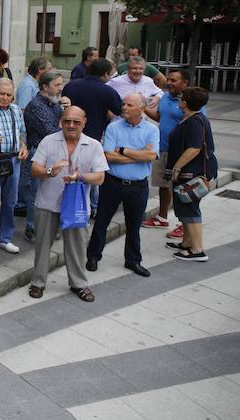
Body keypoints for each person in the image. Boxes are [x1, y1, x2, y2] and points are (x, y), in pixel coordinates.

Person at [28, 107, 107, 302]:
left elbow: (100, 177)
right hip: (48, 202)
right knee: (42, 245)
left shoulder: (94, 145)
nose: (71, 125)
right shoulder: (48, 141)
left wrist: (80, 176)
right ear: (61, 121)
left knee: (77, 247)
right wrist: (50, 172)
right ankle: (38, 282)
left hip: (77, 206)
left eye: (76, 122)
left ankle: (78, 284)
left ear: (84, 122)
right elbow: (34, 169)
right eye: (67, 121)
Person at [86, 94, 158, 277]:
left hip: (138, 186)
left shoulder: (152, 130)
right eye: (123, 103)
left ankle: (133, 260)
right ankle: (93, 256)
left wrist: (124, 151)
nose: (124, 107)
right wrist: (138, 155)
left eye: (129, 104)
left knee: (134, 225)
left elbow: (151, 157)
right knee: (102, 221)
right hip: (112, 183)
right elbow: (108, 156)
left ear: (141, 109)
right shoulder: (113, 127)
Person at [143, 70, 201, 239]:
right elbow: (161, 117)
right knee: (163, 185)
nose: (169, 82)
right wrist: (143, 108)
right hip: (163, 148)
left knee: (182, 189)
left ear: (185, 83)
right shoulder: (166, 98)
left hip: (181, 153)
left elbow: (197, 125)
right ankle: (162, 217)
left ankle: (186, 224)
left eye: (174, 80)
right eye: (168, 79)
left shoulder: (191, 102)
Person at [63, 58, 122, 215]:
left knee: (65, 174)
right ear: (104, 74)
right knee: (92, 175)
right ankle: (92, 208)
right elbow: (119, 110)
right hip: (92, 138)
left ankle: (65, 207)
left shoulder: (70, 86)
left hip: (66, 135)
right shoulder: (106, 91)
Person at [166, 86, 217, 262]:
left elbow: (194, 148)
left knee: (191, 209)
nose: (179, 100)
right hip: (191, 172)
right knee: (185, 208)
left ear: (185, 103)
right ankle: (186, 243)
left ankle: (197, 250)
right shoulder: (194, 118)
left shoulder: (194, 121)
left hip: (192, 173)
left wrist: (177, 167)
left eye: (181, 98)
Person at [22, 72, 70, 240]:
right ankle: (32, 228)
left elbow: (65, 125)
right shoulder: (36, 105)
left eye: (60, 84)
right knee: (36, 193)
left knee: (52, 191)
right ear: (44, 87)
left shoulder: (54, 103)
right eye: (57, 85)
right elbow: (51, 131)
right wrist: (62, 128)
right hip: (39, 153)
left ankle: (47, 227)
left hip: (53, 151)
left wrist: (67, 109)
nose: (61, 88)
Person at [0, 79, 28, 254]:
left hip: (14, 161)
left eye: (9, 95)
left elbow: (22, 132)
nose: (6, 98)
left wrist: (23, 147)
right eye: (2, 94)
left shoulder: (16, 110)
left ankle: (4, 238)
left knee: (10, 202)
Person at [14, 57, 54, 219]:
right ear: (40, 70)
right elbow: (24, 112)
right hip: (29, 137)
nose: (51, 70)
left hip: (33, 136)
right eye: (49, 68)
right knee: (26, 173)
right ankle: (22, 204)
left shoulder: (34, 85)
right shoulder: (27, 86)